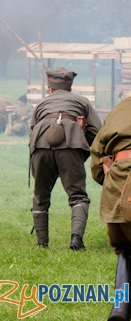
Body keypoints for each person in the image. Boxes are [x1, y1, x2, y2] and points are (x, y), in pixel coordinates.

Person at [29, 67, 101, 250]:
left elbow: (32, 133)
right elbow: (97, 132)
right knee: (78, 196)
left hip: (40, 146)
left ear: (50, 89)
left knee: (40, 196)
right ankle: (76, 239)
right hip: (72, 146)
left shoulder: (41, 105)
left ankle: (41, 244)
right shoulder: (82, 101)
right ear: (70, 88)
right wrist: (79, 148)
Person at [90, 95, 131, 321]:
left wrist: (106, 181)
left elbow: (97, 153)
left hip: (119, 179)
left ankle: (120, 309)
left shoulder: (121, 107)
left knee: (125, 247)